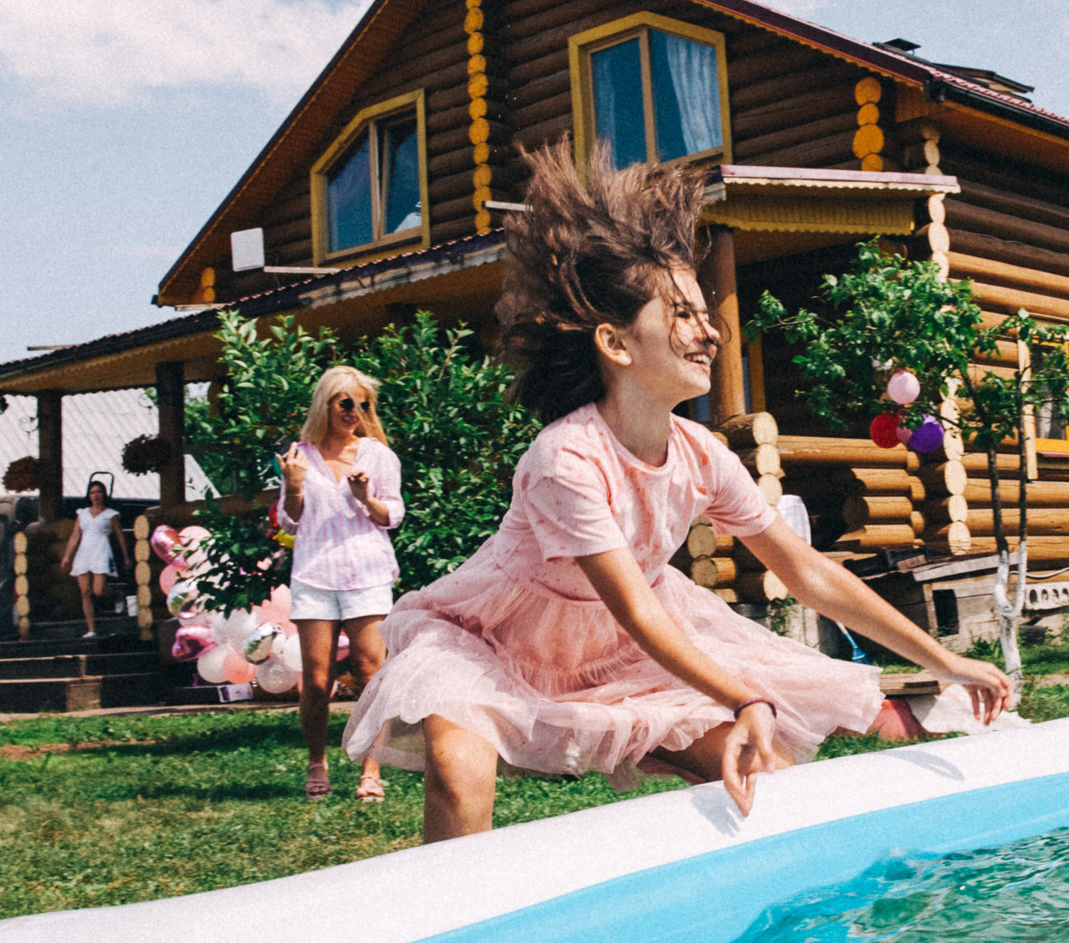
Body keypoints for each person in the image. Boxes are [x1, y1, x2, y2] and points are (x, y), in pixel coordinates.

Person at [345, 143, 1013, 841]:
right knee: (458, 770)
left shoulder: (701, 455)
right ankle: (456, 932)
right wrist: (742, 691)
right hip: (490, 640)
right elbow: (634, 605)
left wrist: (942, 659)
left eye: (704, 312)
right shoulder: (565, 458)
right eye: (682, 314)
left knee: (764, 765)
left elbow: (805, 570)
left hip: (616, 652)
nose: (711, 331)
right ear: (617, 343)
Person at [282, 366, 404, 802]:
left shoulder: (378, 456)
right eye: (346, 403)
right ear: (326, 404)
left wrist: (365, 499)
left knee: (370, 672)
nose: (354, 412)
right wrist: (292, 486)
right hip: (314, 575)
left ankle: (371, 769)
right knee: (317, 681)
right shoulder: (301, 455)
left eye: (363, 405)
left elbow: (394, 515)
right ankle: (318, 762)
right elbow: (288, 521)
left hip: (366, 574)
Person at [60, 478, 130, 639]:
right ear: (89, 495)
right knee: (85, 592)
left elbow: (119, 536)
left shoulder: (111, 515)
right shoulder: (82, 513)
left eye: (98, 492)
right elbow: (75, 536)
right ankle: (91, 629)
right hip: (84, 551)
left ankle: (116, 594)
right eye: (92, 492)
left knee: (97, 590)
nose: (95, 495)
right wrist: (66, 557)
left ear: (104, 494)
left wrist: (126, 556)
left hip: (101, 550)